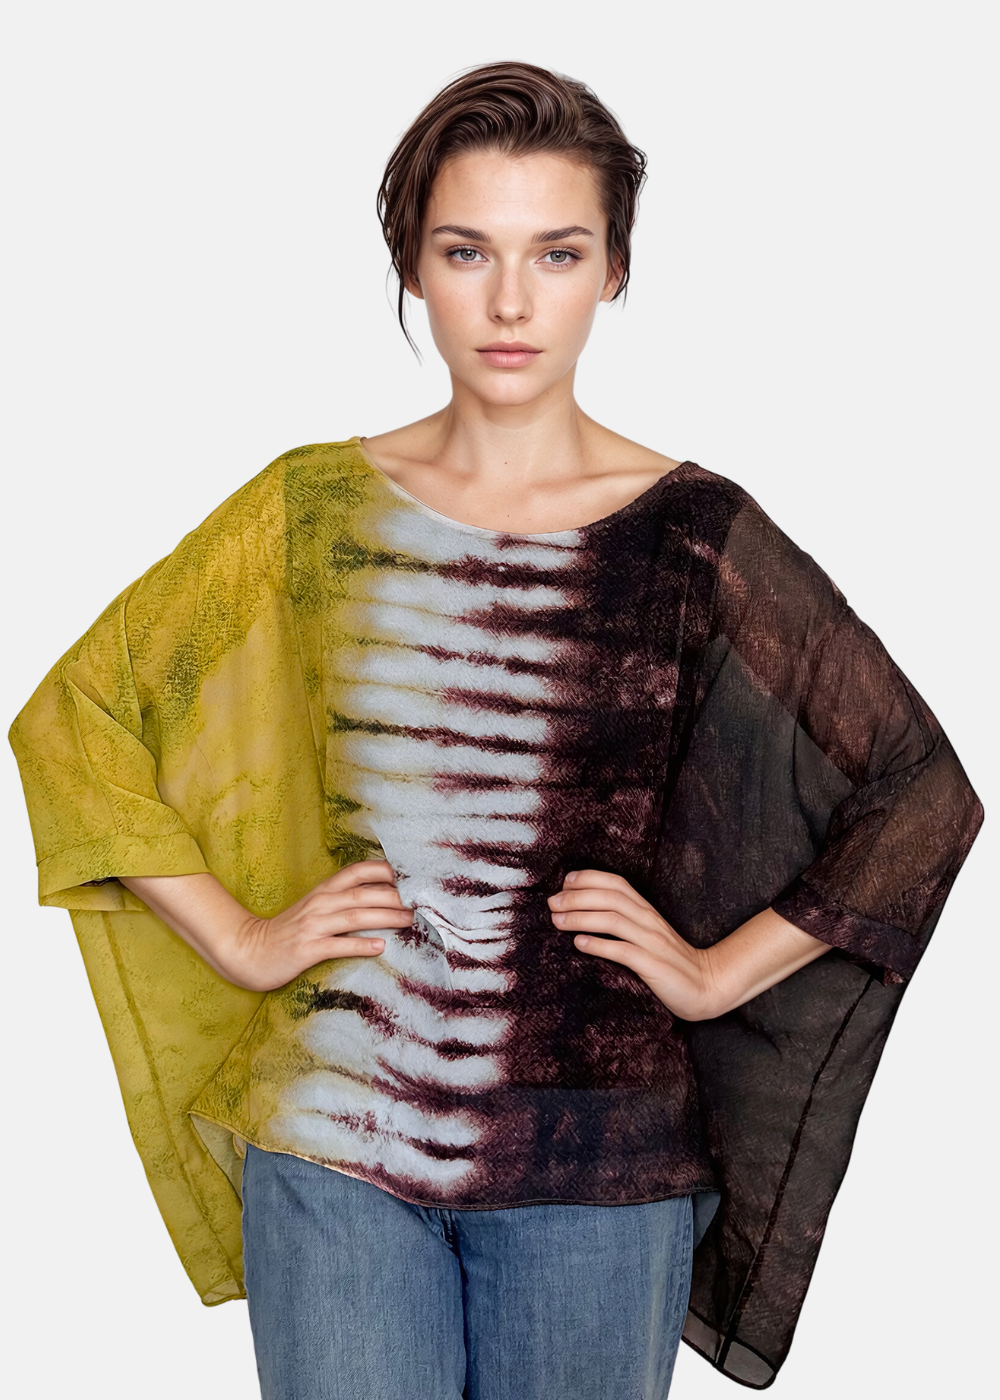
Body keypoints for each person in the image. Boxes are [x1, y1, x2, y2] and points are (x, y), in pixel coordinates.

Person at [8, 60, 983, 1400]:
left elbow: (919, 788)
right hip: (334, 1138)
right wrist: (242, 939)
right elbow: (78, 720)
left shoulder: (695, 536)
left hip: (601, 1160)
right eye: (467, 250)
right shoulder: (309, 510)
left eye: (557, 253)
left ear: (614, 270)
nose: (511, 303)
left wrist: (711, 976)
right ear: (413, 264)